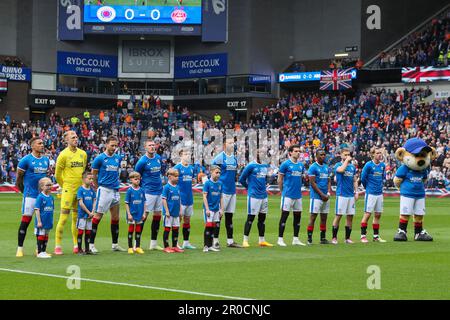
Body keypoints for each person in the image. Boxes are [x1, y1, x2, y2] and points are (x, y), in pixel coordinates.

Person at [89, 136, 126, 253]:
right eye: (112, 145)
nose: (114, 148)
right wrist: (96, 187)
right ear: (106, 145)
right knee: (97, 216)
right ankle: (90, 245)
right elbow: (93, 174)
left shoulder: (117, 158)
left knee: (115, 218)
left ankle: (115, 244)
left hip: (115, 190)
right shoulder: (100, 158)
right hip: (104, 190)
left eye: (116, 146)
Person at [54, 131, 88, 255]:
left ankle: (75, 245)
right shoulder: (63, 155)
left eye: (76, 137)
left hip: (79, 190)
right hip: (68, 189)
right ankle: (58, 245)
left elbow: (83, 171)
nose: (75, 139)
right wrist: (65, 186)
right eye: (72, 137)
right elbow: (57, 174)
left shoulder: (83, 154)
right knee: (63, 217)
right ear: (66, 140)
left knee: (76, 219)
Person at [15, 137, 50, 257]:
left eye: (42, 143)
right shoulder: (26, 160)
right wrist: (24, 192)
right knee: (26, 221)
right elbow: (19, 178)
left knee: (42, 223)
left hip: (42, 196)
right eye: (39, 143)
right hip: (30, 195)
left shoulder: (46, 160)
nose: (42, 145)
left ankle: (39, 249)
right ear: (32, 146)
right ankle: (20, 248)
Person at [212, 138, 241, 248]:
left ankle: (230, 241)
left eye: (233, 143)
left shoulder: (234, 158)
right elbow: (212, 170)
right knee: (218, 216)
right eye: (229, 142)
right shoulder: (220, 157)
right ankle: (215, 240)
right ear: (224, 145)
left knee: (229, 216)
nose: (232, 144)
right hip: (222, 191)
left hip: (232, 190)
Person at [238, 154, 273, 248]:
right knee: (250, 218)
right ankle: (245, 240)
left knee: (262, 219)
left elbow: (264, 178)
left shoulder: (265, 166)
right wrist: (249, 188)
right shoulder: (251, 165)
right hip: (253, 196)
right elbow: (241, 179)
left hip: (264, 196)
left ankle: (262, 240)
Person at [135, 140, 163, 251]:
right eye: (150, 145)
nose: (152, 147)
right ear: (145, 147)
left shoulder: (158, 158)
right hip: (148, 192)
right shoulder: (142, 161)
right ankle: (136, 244)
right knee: (143, 217)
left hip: (159, 191)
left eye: (153, 145)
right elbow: (136, 175)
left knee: (157, 217)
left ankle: (153, 243)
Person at [277, 144, 306, 247]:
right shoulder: (285, 164)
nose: (298, 153)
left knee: (297, 217)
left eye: (299, 151)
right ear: (290, 152)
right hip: (288, 195)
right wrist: (282, 191)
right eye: (296, 151)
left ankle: (296, 239)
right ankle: (280, 239)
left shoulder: (301, 165)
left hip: (298, 195)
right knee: (284, 216)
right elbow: (280, 179)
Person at [331, 148, 359, 244]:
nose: (347, 156)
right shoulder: (338, 165)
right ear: (341, 155)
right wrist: (347, 160)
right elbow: (341, 170)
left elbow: (355, 180)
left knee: (350, 216)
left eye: (348, 154)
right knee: (338, 216)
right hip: (341, 194)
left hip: (350, 195)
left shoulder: (352, 167)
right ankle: (334, 238)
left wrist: (356, 192)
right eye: (345, 154)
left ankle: (347, 238)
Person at [360, 147, 387, 243]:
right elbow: (363, 178)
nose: (380, 154)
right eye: (377, 153)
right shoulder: (368, 165)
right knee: (367, 214)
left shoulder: (382, 165)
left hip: (379, 193)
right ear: (373, 155)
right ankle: (363, 236)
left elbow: (383, 177)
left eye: (380, 153)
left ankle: (376, 236)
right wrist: (368, 188)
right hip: (370, 193)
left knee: (378, 214)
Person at [306, 149, 332, 245]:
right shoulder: (313, 167)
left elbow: (329, 181)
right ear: (316, 156)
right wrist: (322, 194)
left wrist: (328, 193)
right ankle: (309, 239)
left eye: (324, 154)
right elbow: (312, 182)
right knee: (313, 217)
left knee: (324, 218)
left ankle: (323, 238)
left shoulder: (326, 167)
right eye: (321, 155)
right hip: (316, 196)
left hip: (325, 196)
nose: (323, 156)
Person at [174, 150, 197, 249]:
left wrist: (193, 181)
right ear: (181, 156)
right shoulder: (177, 168)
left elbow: (190, 181)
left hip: (189, 197)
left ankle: (186, 242)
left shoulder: (191, 168)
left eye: (189, 154)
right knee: (178, 220)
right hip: (180, 198)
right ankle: (175, 242)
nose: (188, 156)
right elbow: (172, 183)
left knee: (187, 220)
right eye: (186, 154)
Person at [161, 169, 183, 253]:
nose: (177, 178)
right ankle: (166, 247)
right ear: (169, 177)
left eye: (178, 176)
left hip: (176, 213)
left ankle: (174, 246)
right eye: (176, 176)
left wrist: (180, 211)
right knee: (167, 229)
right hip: (169, 213)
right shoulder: (166, 187)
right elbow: (164, 200)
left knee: (176, 229)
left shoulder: (177, 187)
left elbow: (179, 200)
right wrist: (166, 211)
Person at [125, 172, 147, 254]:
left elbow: (144, 202)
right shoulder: (129, 190)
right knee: (131, 229)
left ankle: (137, 247)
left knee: (138, 229)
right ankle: (130, 247)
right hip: (132, 214)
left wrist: (144, 213)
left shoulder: (142, 190)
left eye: (139, 179)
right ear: (131, 180)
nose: (137, 181)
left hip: (140, 214)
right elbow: (126, 203)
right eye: (135, 179)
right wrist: (129, 214)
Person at [202, 165, 223, 252]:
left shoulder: (220, 184)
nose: (218, 174)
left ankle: (210, 245)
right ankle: (206, 246)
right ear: (211, 172)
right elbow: (204, 196)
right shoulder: (207, 183)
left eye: (219, 173)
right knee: (209, 226)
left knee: (215, 227)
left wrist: (222, 209)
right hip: (209, 209)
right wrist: (207, 209)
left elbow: (221, 197)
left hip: (216, 209)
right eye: (216, 172)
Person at [76, 172, 96, 255]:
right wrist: (89, 212)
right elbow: (81, 203)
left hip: (90, 215)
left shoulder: (92, 190)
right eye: (89, 178)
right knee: (80, 232)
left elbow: (94, 201)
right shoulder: (80, 190)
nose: (91, 180)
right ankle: (79, 249)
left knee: (88, 232)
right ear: (84, 179)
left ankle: (87, 249)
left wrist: (93, 212)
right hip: (82, 215)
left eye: (92, 179)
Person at [34, 177, 54, 259]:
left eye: (50, 185)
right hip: (41, 221)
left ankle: (44, 251)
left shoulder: (51, 197)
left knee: (46, 236)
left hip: (48, 221)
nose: (49, 187)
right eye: (47, 185)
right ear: (42, 187)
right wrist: (39, 221)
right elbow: (37, 210)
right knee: (41, 235)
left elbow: (52, 210)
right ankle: (39, 252)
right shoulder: (40, 197)